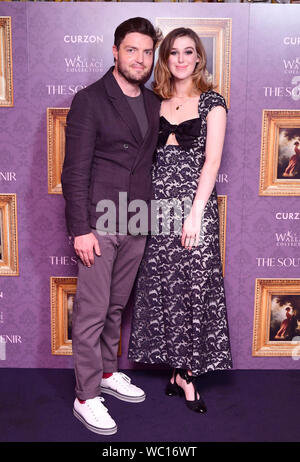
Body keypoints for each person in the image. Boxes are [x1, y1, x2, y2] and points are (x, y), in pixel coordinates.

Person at [61, 17, 161, 435]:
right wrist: (80, 229)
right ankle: (86, 396)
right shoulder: (90, 99)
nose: (140, 58)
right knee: (91, 312)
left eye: (147, 51)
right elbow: (74, 171)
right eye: (132, 50)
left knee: (116, 308)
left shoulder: (155, 102)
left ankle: (105, 372)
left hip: (137, 219)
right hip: (99, 223)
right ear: (116, 52)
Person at [128, 27, 232, 413]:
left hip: (193, 206)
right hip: (158, 207)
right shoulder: (153, 101)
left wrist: (195, 214)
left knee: (194, 285)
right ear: (165, 59)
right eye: (173, 52)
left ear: (199, 58)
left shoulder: (212, 102)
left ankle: (189, 373)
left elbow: (213, 161)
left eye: (189, 52)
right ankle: (175, 369)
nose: (181, 59)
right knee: (165, 288)